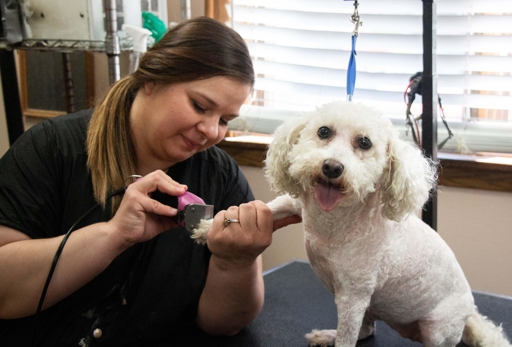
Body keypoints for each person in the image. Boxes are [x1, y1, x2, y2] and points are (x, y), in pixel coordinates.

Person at [0, 16, 300, 346]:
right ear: (152, 80)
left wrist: (236, 263)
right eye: (200, 106)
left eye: (225, 119)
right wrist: (113, 235)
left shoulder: (220, 178)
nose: (212, 131)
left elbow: (223, 325)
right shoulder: (51, 150)